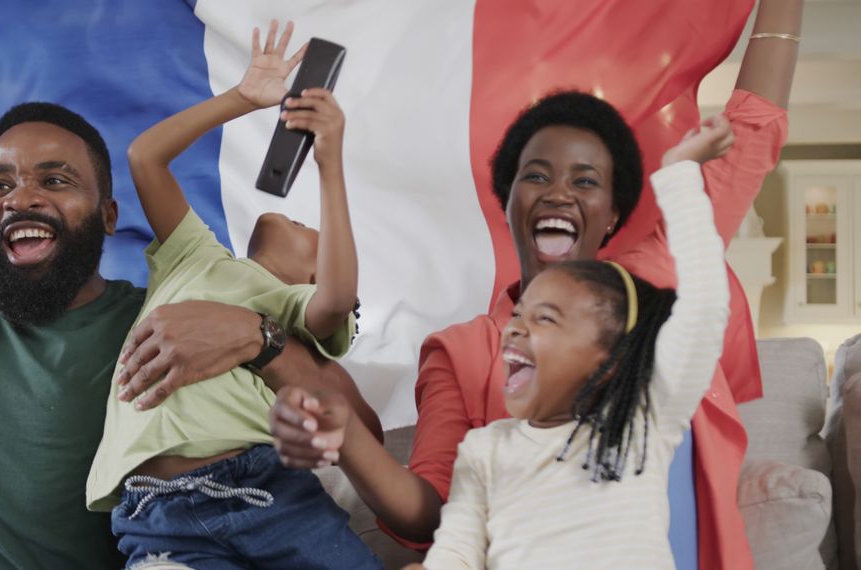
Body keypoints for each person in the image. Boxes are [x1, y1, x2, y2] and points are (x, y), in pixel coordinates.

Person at [0, 1, 347, 567]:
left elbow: (351, 424)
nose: (20, 197)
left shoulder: (159, 318)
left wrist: (259, 335)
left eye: (55, 179)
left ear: (107, 215)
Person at [270, 1, 800, 567]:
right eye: (537, 176)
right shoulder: (466, 358)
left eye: (586, 180)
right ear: (510, 199)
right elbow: (438, 519)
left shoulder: (653, 306)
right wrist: (347, 432)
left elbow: (751, 130)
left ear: (613, 213)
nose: (559, 193)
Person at [87, 21, 382, 568]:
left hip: (268, 491)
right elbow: (145, 157)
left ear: (309, 280)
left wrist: (329, 166)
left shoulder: (291, 313)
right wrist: (241, 98)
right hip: (158, 512)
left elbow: (338, 301)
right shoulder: (195, 255)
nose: (295, 218)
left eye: (311, 231)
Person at [414, 119, 732, 569]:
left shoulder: (642, 423)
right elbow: (458, 550)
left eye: (545, 319)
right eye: (518, 317)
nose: (515, 328)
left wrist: (680, 173)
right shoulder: (484, 450)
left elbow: (704, 309)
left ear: (605, 359)